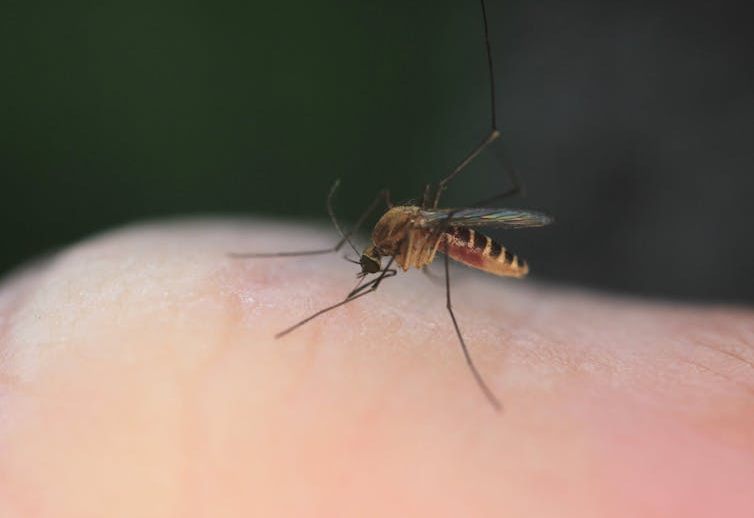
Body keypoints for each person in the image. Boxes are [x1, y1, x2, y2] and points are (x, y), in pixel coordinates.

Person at [0, 219, 752, 517]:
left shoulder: (411, 243)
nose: (368, 267)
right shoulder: (386, 241)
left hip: (465, 248)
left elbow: (412, 252)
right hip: (430, 235)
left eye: (370, 261)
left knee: (451, 290)